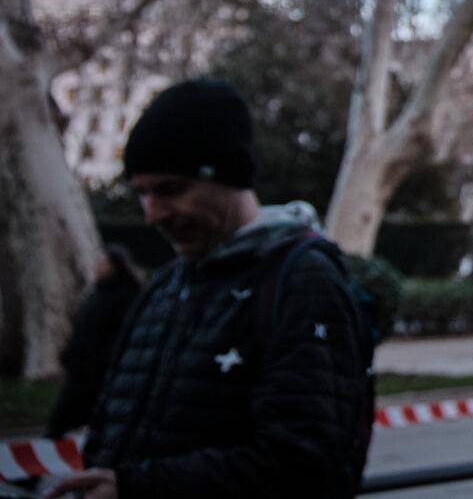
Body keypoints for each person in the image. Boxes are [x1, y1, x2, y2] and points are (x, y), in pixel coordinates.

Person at [52, 79, 372, 499]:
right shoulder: (165, 285)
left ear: (229, 176)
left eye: (170, 190)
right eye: (142, 193)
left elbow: (306, 464)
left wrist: (138, 487)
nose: (152, 214)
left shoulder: (302, 280)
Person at [46, 246, 144, 439]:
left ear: (116, 266)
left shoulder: (127, 296)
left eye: (103, 263)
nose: (97, 267)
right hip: (82, 366)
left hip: (101, 369)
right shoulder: (96, 293)